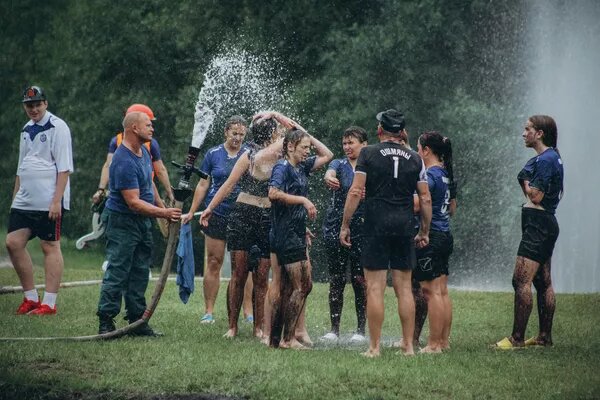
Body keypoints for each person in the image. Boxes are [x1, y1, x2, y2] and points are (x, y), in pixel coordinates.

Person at [340, 109, 432, 357]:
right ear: (402, 132)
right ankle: (409, 346)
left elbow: (356, 191)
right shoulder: (415, 158)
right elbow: (424, 197)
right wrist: (424, 229)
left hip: (375, 224)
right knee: (404, 289)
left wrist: (345, 224)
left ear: (380, 130)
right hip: (404, 226)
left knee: (375, 288)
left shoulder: (368, 153)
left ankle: (374, 347)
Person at [200, 111, 298, 338]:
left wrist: (273, 115)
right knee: (239, 273)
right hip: (243, 215)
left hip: (266, 217)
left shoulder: (279, 152)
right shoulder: (252, 154)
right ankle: (233, 326)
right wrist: (210, 208)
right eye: (276, 129)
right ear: (272, 132)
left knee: (261, 274)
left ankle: (258, 328)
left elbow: (295, 134)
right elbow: (227, 185)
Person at [96, 111, 181, 335]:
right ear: (134, 128)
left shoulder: (143, 151)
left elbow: (148, 184)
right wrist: (163, 215)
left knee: (140, 271)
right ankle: (106, 320)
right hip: (123, 221)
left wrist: (161, 206)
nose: (152, 128)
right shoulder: (122, 161)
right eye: (148, 125)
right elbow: (133, 202)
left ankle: (137, 320)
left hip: (142, 222)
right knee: (118, 270)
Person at [495, 115, 563, 349]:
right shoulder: (550, 157)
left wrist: (525, 181)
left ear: (539, 133)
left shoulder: (545, 160)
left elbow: (535, 195)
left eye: (527, 129)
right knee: (543, 282)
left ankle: (516, 339)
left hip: (538, 225)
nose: (524, 134)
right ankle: (544, 338)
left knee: (520, 280)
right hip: (544, 223)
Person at [6, 85, 73, 316]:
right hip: (26, 198)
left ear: (45, 103)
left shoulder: (58, 126)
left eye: (37, 104)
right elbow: (20, 166)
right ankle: (30, 298)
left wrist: (57, 201)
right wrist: (16, 196)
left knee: (49, 245)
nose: (34, 109)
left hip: (48, 198)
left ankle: (49, 303)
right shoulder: (26, 129)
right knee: (13, 242)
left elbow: (64, 168)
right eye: (29, 105)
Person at [269, 129, 333, 349]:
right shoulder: (282, 167)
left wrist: (305, 134)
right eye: (304, 147)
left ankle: (275, 340)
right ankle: (288, 339)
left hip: (295, 232)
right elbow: (273, 193)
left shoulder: (302, 167)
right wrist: (303, 201)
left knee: (291, 288)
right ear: (289, 147)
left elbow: (328, 155)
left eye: (308, 147)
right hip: (285, 235)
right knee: (303, 286)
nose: (308, 151)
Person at [181, 116, 248, 324]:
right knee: (213, 262)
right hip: (216, 214)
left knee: (244, 265)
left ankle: (248, 312)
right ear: (226, 132)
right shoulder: (213, 154)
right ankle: (209, 311)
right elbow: (203, 186)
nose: (237, 138)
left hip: (242, 215)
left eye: (241, 134)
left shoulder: (249, 154)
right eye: (234, 133)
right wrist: (192, 211)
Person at [321, 127, 368, 343]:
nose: (347, 147)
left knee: (360, 280)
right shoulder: (338, 164)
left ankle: (360, 330)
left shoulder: (370, 165)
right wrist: (328, 177)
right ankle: (334, 329)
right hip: (334, 227)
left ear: (364, 144)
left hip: (362, 229)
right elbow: (328, 172)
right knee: (337, 279)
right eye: (345, 143)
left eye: (352, 143)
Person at [412, 131, 456, 353]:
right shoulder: (445, 173)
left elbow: (417, 205)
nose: (417, 151)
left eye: (418, 148)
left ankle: (433, 344)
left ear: (426, 150)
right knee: (442, 291)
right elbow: (452, 209)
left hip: (432, 237)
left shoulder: (429, 175)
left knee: (431, 292)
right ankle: (444, 342)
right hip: (445, 234)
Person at [92, 103, 174, 206]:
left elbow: (108, 165)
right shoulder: (151, 144)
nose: (151, 128)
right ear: (135, 125)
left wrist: (101, 189)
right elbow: (160, 170)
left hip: (129, 193)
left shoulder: (116, 141)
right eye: (148, 124)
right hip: (139, 194)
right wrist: (169, 192)